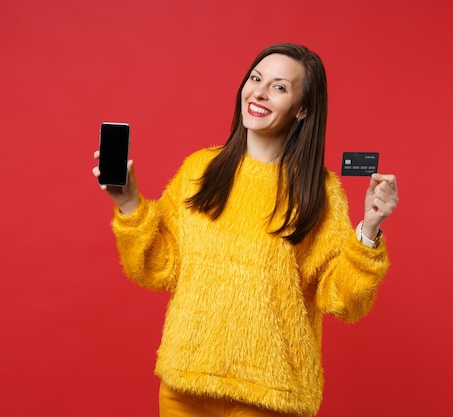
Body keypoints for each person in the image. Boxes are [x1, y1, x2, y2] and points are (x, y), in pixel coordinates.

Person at [92, 43, 399, 417]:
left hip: (271, 395)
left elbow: (341, 299)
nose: (259, 92)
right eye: (256, 79)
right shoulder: (199, 170)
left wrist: (368, 231)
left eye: (279, 87)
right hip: (185, 386)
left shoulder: (319, 190)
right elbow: (158, 268)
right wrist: (128, 203)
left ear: (302, 109)